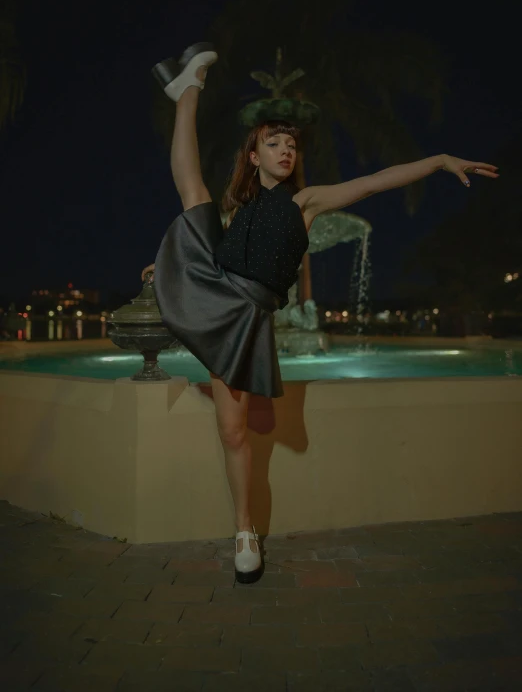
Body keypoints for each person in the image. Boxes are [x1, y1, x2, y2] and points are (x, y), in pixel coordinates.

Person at [143, 42, 499, 584]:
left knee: (245, 428)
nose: (286, 150)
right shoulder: (237, 208)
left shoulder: (307, 203)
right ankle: (187, 91)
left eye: (291, 144)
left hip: (249, 318)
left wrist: (439, 161)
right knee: (193, 196)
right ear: (254, 155)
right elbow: (209, 247)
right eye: (274, 143)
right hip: (217, 293)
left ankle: (244, 531)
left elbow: (378, 180)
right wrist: (167, 262)